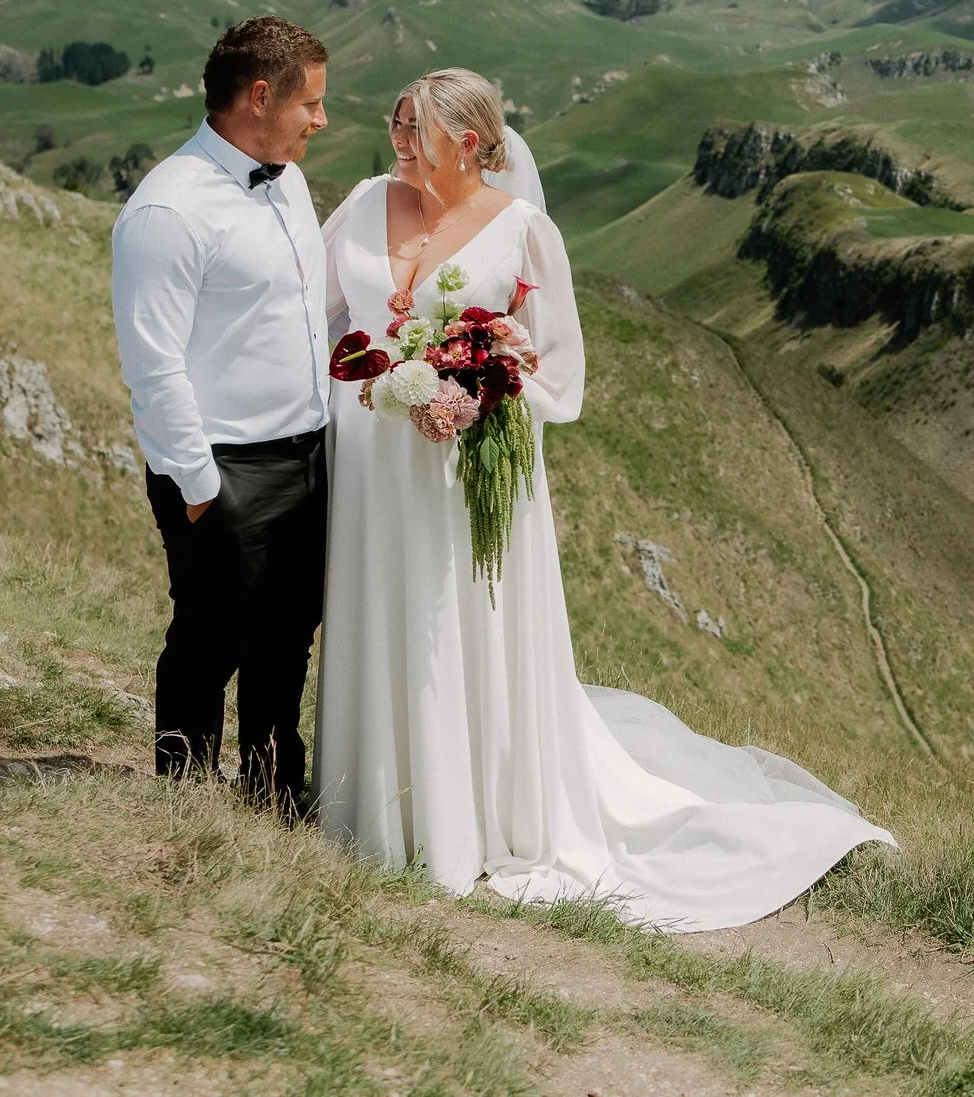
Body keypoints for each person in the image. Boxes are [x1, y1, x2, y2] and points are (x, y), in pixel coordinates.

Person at [315, 68, 892, 929]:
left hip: (464, 470)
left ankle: (470, 817)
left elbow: (558, 371)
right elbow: (321, 318)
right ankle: (378, 810)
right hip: (370, 468)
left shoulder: (522, 231)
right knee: (381, 616)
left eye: (414, 129)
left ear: (468, 142)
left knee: (453, 622)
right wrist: (374, 379)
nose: (396, 142)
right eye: (394, 123)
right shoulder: (361, 205)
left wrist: (477, 388)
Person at [111, 16, 333, 812]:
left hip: (308, 458)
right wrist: (204, 489)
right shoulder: (167, 211)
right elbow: (153, 364)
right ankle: (187, 805)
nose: (321, 119)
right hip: (225, 469)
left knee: (286, 642)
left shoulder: (291, 178)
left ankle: (274, 793)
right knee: (209, 644)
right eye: (311, 102)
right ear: (261, 95)